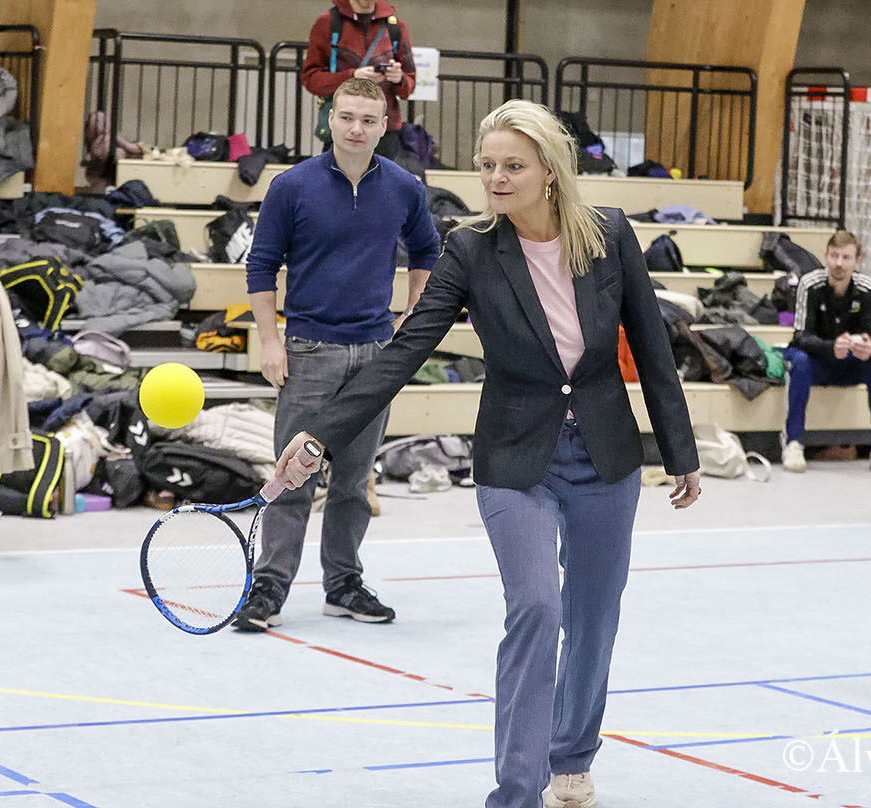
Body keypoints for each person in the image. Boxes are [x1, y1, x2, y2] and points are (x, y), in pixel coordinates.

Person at [270, 99, 701, 808]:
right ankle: (516, 792)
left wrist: (679, 450)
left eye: (512, 166)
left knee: (594, 620)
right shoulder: (469, 249)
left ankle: (572, 754)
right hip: (514, 458)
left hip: (604, 454)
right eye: (488, 165)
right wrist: (321, 434)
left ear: (549, 171)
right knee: (535, 608)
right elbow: (405, 350)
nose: (496, 178)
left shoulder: (609, 233)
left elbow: (653, 346)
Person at [240, 77, 440, 631]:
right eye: (347, 117)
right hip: (309, 351)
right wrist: (270, 340)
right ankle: (269, 587)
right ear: (330, 118)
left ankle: (343, 584)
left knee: (354, 483)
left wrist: (413, 313)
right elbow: (261, 265)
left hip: (376, 355)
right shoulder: (291, 186)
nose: (356, 128)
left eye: (368, 120)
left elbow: (427, 250)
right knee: (292, 477)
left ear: (384, 126)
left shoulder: (404, 187)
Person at [780, 230, 871, 474]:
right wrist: (830, 347)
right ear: (826, 256)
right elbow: (800, 337)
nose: (838, 264)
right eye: (834, 256)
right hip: (816, 362)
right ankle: (793, 443)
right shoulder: (809, 284)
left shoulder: (867, 288)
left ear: (858, 260)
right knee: (798, 361)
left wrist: (869, 347)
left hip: (850, 362)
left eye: (846, 257)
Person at [302, 0, 416, 158]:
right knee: (338, 173)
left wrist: (399, 78)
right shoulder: (328, 23)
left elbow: (409, 84)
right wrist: (352, 76)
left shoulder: (395, 26)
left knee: (381, 173)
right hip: (343, 128)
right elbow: (311, 79)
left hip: (384, 131)